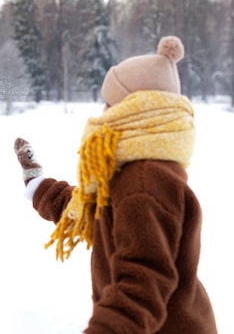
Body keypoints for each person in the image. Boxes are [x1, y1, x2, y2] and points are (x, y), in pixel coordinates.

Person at [13, 36, 218, 334]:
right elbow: (92, 214)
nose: (102, 113)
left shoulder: (145, 183)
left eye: (109, 102)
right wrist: (38, 184)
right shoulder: (140, 170)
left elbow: (141, 286)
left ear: (132, 108)